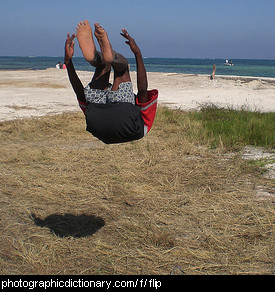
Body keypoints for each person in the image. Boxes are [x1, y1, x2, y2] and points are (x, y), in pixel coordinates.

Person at [64, 20, 158, 144]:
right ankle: (103, 57)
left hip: (111, 117)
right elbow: (80, 94)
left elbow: (142, 90)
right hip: (98, 120)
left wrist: (137, 53)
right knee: (103, 67)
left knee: (122, 69)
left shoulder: (145, 123)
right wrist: (68, 63)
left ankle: (106, 57)